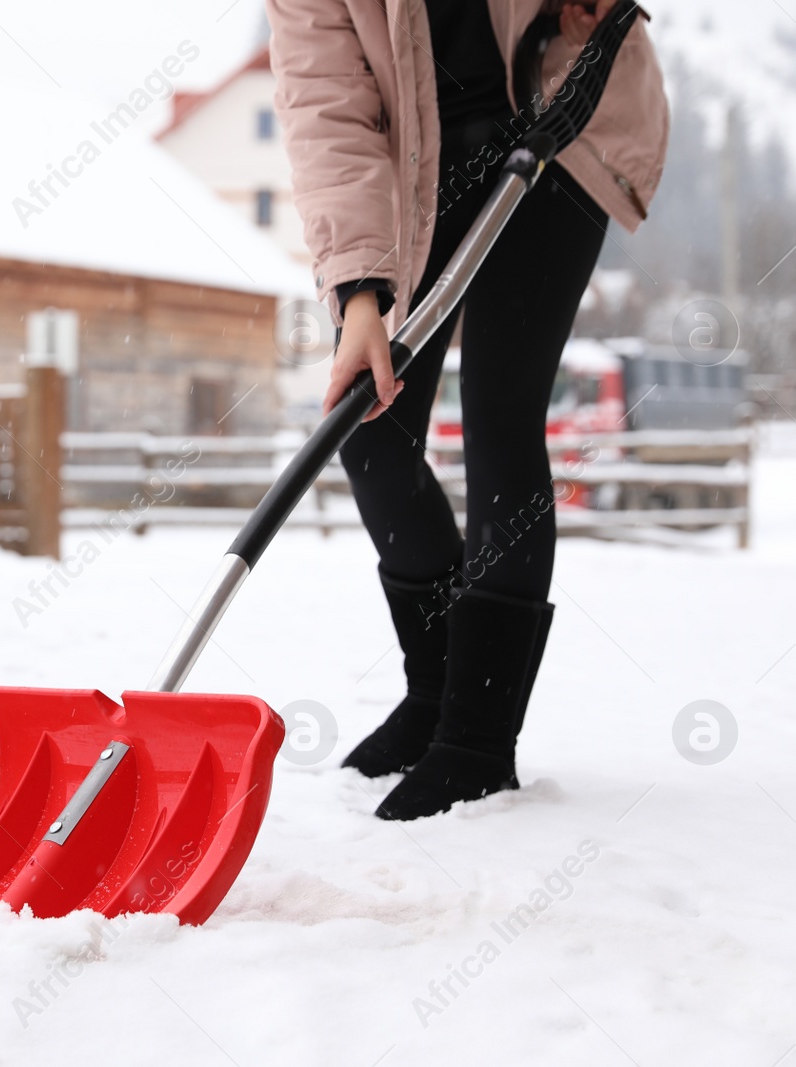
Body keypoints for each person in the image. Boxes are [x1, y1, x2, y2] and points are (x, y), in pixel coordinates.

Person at [266, 0, 667, 818]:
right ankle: (437, 691)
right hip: (423, 156)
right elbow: (327, 112)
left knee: (502, 417)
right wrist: (360, 297)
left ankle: (478, 738)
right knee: (369, 430)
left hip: (558, 120)